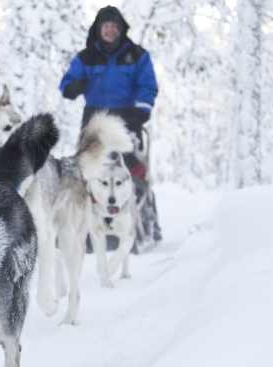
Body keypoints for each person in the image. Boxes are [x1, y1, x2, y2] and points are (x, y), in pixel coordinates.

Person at [59, 5, 162, 250]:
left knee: (131, 169)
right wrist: (74, 86)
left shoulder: (137, 56)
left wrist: (141, 111)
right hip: (94, 120)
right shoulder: (86, 57)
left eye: (114, 27)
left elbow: (147, 85)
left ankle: (141, 223)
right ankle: (84, 229)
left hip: (128, 118)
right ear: (98, 29)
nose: (110, 31)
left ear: (121, 29)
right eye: (106, 26)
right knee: (88, 172)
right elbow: (66, 85)